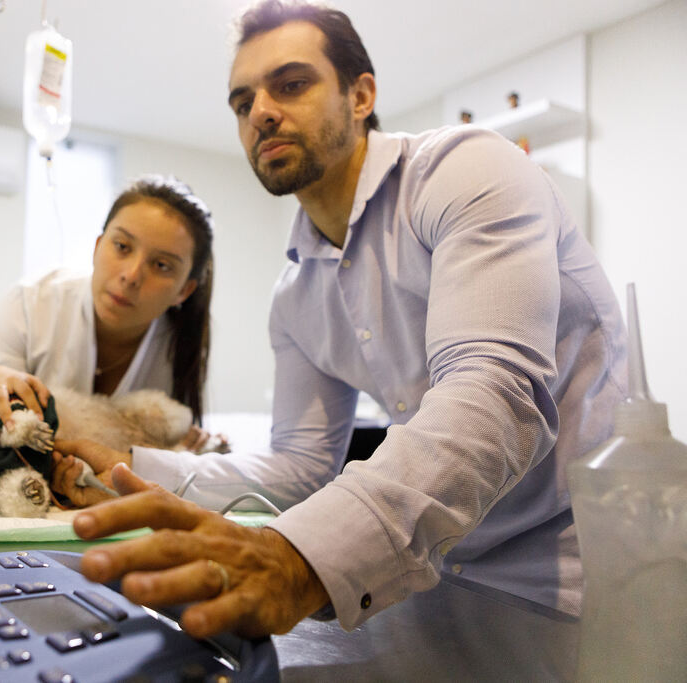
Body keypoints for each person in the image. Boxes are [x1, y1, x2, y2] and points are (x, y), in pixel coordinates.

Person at [51, 0, 628, 639]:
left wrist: (300, 558)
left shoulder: (466, 169)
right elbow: (301, 466)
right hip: (438, 573)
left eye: (291, 84)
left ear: (361, 95)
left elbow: (494, 393)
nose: (261, 112)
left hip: (574, 578)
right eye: (243, 103)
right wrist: (134, 467)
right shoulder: (296, 297)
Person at [0, 175, 217, 451]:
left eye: (161, 265)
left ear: (185, 290)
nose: (131, 276)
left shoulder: (181, 344)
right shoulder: (29, 304)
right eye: (122, 247)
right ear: (97, 246)